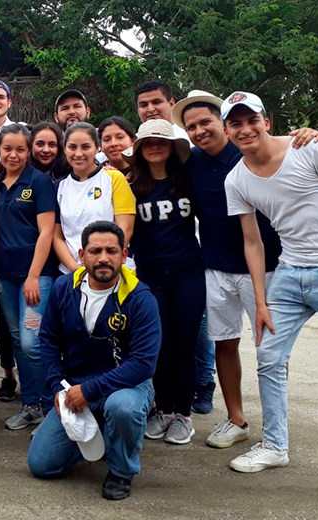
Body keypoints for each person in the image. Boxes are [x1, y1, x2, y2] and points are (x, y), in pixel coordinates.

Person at [221, 92, 318, 492]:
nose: (244, 129)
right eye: (235, 123)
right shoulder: (235, 179)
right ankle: (274, 445)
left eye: (250, 119)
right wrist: (260, 302)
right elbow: (252, 243)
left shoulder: (308, 147)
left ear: (265, 121)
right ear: (227, 131)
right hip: (288, 274)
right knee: (269, 358)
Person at [173, 89, 318, 445]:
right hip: (217, 267)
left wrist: (309, 134)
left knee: (270, 347)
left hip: (268, 265)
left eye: (206, 122)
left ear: (223, 125)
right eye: (192, 126)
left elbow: (283, 147)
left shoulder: (247, 152)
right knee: (224, 343)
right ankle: (236, 419)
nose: (199, 131)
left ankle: (275, 422)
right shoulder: (190, 162)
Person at [28, 221, 161, 500]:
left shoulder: (140, 298)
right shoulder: (65, 288)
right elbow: (49, 339)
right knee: (42, 465)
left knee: (123, 408)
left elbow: (142, 364)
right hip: (75, 387)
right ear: (81, 255)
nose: (103, 258)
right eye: (95, 250)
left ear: (124, 256)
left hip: (126, 386)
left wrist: (89, 391)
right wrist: (57, 387)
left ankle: (121, 470)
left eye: (111, 251)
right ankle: (105, 431)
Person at [122, 119, 203, 445]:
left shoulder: (186, 181)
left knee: (184, 345)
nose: (155, 146)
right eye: (148, 142)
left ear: (172, 146)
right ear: (140, 148)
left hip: (188, 274)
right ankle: (163, 409)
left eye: (162, 141)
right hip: (150, 276)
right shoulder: (131, 185)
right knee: (159, 346)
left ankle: (183, 414)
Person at [0, 124, 57, 430]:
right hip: (4, 275)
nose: (13, 154)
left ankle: (49, 403)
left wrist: (33, 275)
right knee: (17, 341)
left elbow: (47, 232)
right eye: (8, 149)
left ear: (28, 151)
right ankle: (30, 404)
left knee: (32, 342)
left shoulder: (40, 181)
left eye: (20, 149)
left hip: (36, 276)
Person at [52, 123, 135, 274]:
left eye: (85, 147)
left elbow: (126, 228)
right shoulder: (59, 186)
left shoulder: (114, 178)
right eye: (72, 147)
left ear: (97, 148)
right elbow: (57, 236)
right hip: (72, 273)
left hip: (111, 270)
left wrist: (102, 262)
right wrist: (74, 268)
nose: (78, 153)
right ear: (64, 149)